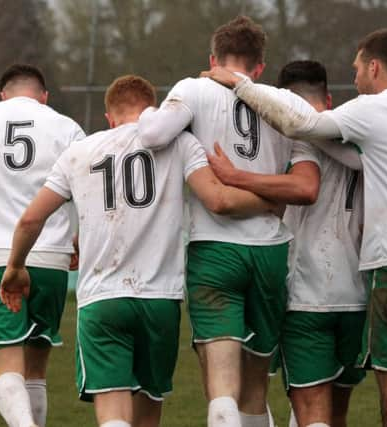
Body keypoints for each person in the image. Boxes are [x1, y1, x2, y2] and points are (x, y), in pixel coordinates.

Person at [203, 28, 387, 427]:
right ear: (326, 99)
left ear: (374, 66)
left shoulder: (367, 113)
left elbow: (299, 135)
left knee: (330, 410)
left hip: (326, 290)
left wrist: (239, 87)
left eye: (358, 66)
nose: (355, 76)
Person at [0, 75, 280, 427]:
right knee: (149, 409)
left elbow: (30, 220)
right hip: (160, 300)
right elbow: (218, 200)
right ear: (153, 109)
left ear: (109, 117)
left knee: (113, 412)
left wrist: (15, 267)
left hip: (102, 300)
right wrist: (272, 200)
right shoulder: (180, 143)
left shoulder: (79, 152)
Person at [138, 16, 321, 427]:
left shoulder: (193, 89)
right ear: (259, 66)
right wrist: (268, 199)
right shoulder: (285, 100)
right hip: (271, 253)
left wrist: (151, 108)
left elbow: (151, 135)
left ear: (212, 59)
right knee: (256, 389)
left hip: (215, 251)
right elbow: (305, 185)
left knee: (222, 387)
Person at [207, 60, 366, 427]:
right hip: (356, 294)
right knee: (336, 414)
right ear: (327, 97)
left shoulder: (294, 139)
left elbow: (304, 189)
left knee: (311, 412)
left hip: (309, 294)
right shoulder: (361, 137)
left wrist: (236, 176)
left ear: (278, 102)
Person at [0, 64, 84, 427]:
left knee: (7, 367)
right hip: (52, 257)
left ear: (3, 95)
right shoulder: (66, 126)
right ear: (44, 96)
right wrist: (80, 239)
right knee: (35, 373)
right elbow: (92, 192)